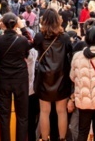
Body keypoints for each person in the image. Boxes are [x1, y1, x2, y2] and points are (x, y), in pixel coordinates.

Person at [0, 12, 31, 141]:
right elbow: (31, 42)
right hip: (21, 79)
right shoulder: (22, 40)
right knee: (22, 115)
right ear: (16, 24)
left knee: (4, 115)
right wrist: (23, 28)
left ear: (3, 24)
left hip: (3, 78)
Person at [32, 8, 73, 141]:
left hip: (44, 78)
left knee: (44, 112)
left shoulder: (39, 37)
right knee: (61, 111)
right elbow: (70, 53)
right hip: (61, 77)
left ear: (44, 21)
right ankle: (62, 138)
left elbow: (34, 47)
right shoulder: (65, 37)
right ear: (58, 20)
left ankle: (45, 139)